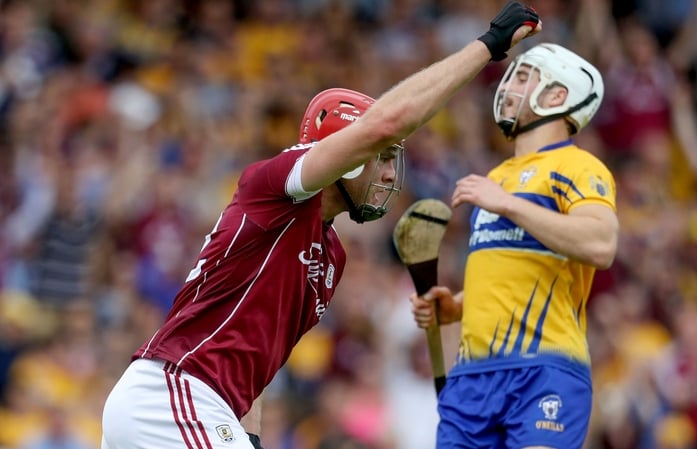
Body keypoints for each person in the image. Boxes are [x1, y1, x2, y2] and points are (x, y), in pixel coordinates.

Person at [100, 2, 542, 449]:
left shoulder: (331, 257)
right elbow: (386, 123)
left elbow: (256, 360)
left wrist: (251, 437)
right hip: (174, 394)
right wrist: (487, 46)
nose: (390, 175)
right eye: (382, 158)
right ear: (343, 156)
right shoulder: (275, 184)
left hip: (199, 407)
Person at [410, 42, 618, 449]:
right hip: (472, 377)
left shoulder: (577, 166)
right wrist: (456, 306)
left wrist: (507, 203)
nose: (508, 87)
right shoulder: (497, 175)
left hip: (544, 369)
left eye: (524, 77)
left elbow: (602, 244)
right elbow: (512, 270)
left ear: (557, 96)